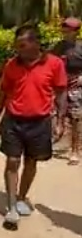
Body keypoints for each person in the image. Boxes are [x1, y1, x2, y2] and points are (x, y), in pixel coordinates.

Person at [0, 24, 67, 230]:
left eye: (23, 45)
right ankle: (11, 206)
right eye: (17, 46)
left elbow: (60, 93)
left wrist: (60, 121)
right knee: (13, 161)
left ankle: (22, 196)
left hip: (40, 122)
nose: (19, 50)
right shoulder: (11, 65)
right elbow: (3, 93)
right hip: (13, 120)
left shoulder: (54, 64)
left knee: (31, 162)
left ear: (36, 43)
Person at [51, 17, 82, 165]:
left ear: (75, 32)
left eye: (68, 30)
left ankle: (75, 150)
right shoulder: (58, 46)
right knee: (55, 114)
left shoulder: (80, 47)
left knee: (75, 118)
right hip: (58, 86)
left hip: (75, 86)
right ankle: (54, 137)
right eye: (64, 29)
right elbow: (48, 62)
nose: (64, 32)